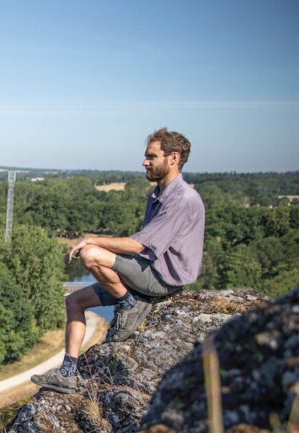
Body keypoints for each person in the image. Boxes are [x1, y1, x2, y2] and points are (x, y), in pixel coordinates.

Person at [31, 128, 206, 394]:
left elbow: (140, 244)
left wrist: (92, 240)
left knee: (91, 255)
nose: (144, 162)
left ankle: (128, 304)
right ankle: (67, 372)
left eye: (151, 156)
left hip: (160, 280)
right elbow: (142, 246)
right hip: (146, 270)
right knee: (74, 301)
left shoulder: (182, 199)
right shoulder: (158, 194)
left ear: (173, 158)